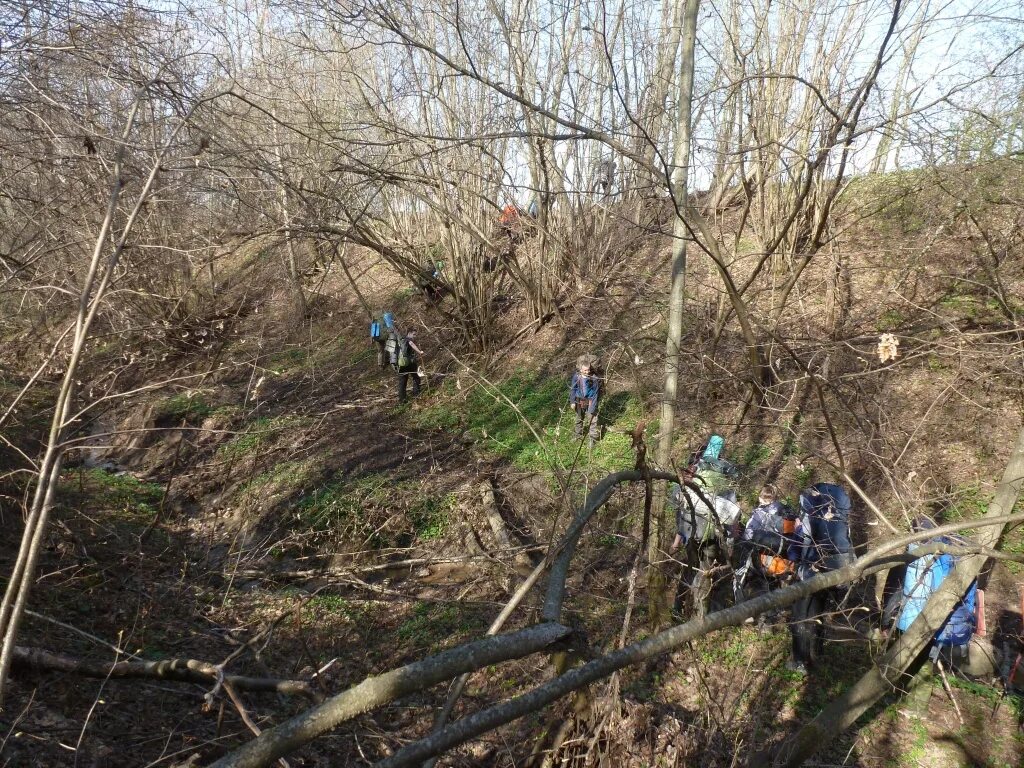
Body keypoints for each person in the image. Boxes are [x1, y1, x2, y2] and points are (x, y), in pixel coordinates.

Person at [787, 482, 855, 672]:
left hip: (810, 570)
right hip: (833, 574)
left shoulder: (812, 516)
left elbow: (800, 543)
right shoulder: (840, 518)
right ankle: (817, 652)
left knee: (801, 615)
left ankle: (800, 660)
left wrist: (792, 557)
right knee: (818, 613)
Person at [569, 354, 601, 448]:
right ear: (581, 370)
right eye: (585, 370)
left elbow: (596, 393)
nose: (587, 372)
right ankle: (578, 435)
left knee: (592, 420)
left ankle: (593, 439)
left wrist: (593, 407)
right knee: (579, 418)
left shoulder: (594, 378)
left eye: (588, 370)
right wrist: (572, 401)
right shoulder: (576, 377)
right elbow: (573, 389)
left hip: (591, 400)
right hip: (579, 400)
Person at [396, 330, 425, 404]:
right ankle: (416, 394)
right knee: (416, 377)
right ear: (409, 333)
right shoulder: (408, 340)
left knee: (402, 381)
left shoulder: (400, 341)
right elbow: (411, 344)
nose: (415, 336)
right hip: (410, 363)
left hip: (401, 364)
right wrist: (419, 351)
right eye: (414, 334)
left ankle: (402, 400)